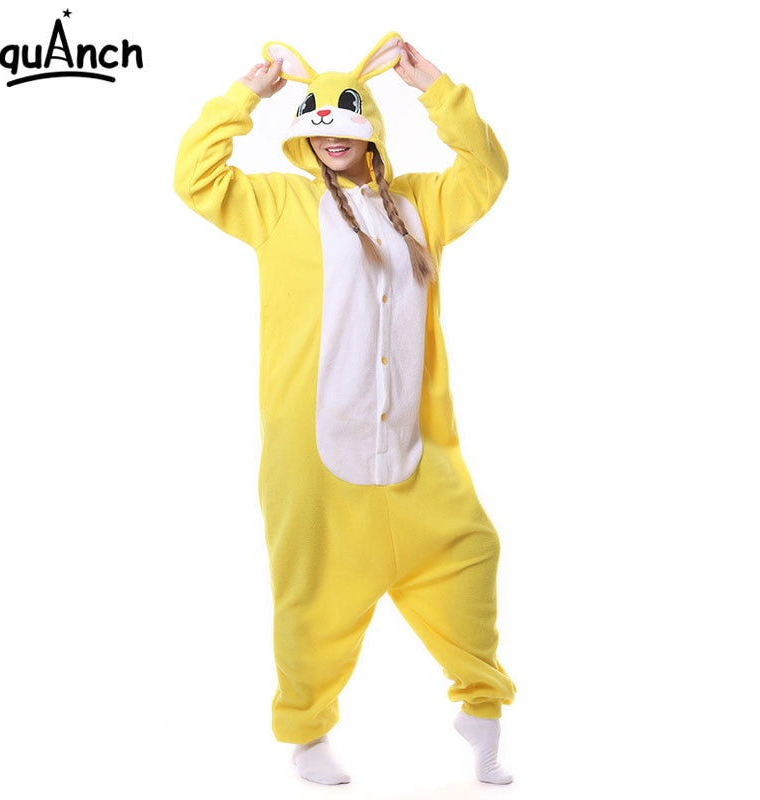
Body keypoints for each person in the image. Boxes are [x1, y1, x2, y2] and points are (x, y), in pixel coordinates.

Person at [174, 33, 516, 786]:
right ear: (303, 133)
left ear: (371, 131)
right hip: (312, 455)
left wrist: (437, 89)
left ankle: (482, 708)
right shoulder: (279, 204)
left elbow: (486, 170)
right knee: (312, 597)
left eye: (346, 122)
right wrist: (245, 96)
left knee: (470, 553)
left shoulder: (423, 202)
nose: (332, 136)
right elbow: (195, 176)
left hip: (417, 452)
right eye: (318, 124)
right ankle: (307, 734)